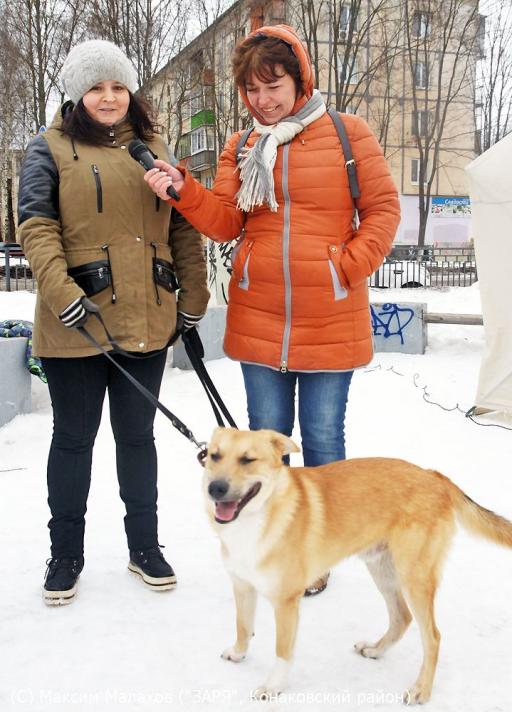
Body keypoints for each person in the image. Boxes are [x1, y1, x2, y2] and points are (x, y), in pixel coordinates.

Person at [144, 25, 400, 594]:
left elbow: (383, 209)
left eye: (274, 85)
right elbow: (225, 221)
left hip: (330, 316)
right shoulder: (241, 146)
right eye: (252, 90)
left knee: (324, 441)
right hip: (260, 319)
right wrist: (184, 191)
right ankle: (280, 546)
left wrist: (345, 268)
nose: (263, 100)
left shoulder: (347, 133)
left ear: (299, 80)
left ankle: (319, 552)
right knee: (264, 446)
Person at [17, 40, 209, 605]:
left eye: (118, 86)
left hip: (146, 317)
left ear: (131, 91)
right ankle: (65, 554)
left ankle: (144, 546)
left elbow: (183, 226)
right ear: (78, 94)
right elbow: (36, 226)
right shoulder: (48, 148)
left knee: (137, 439)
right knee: (73, 440)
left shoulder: (155, 148)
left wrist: (193, 296)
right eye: (96, 87)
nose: (108, 97)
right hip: (76, 323)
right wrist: (61, 293)